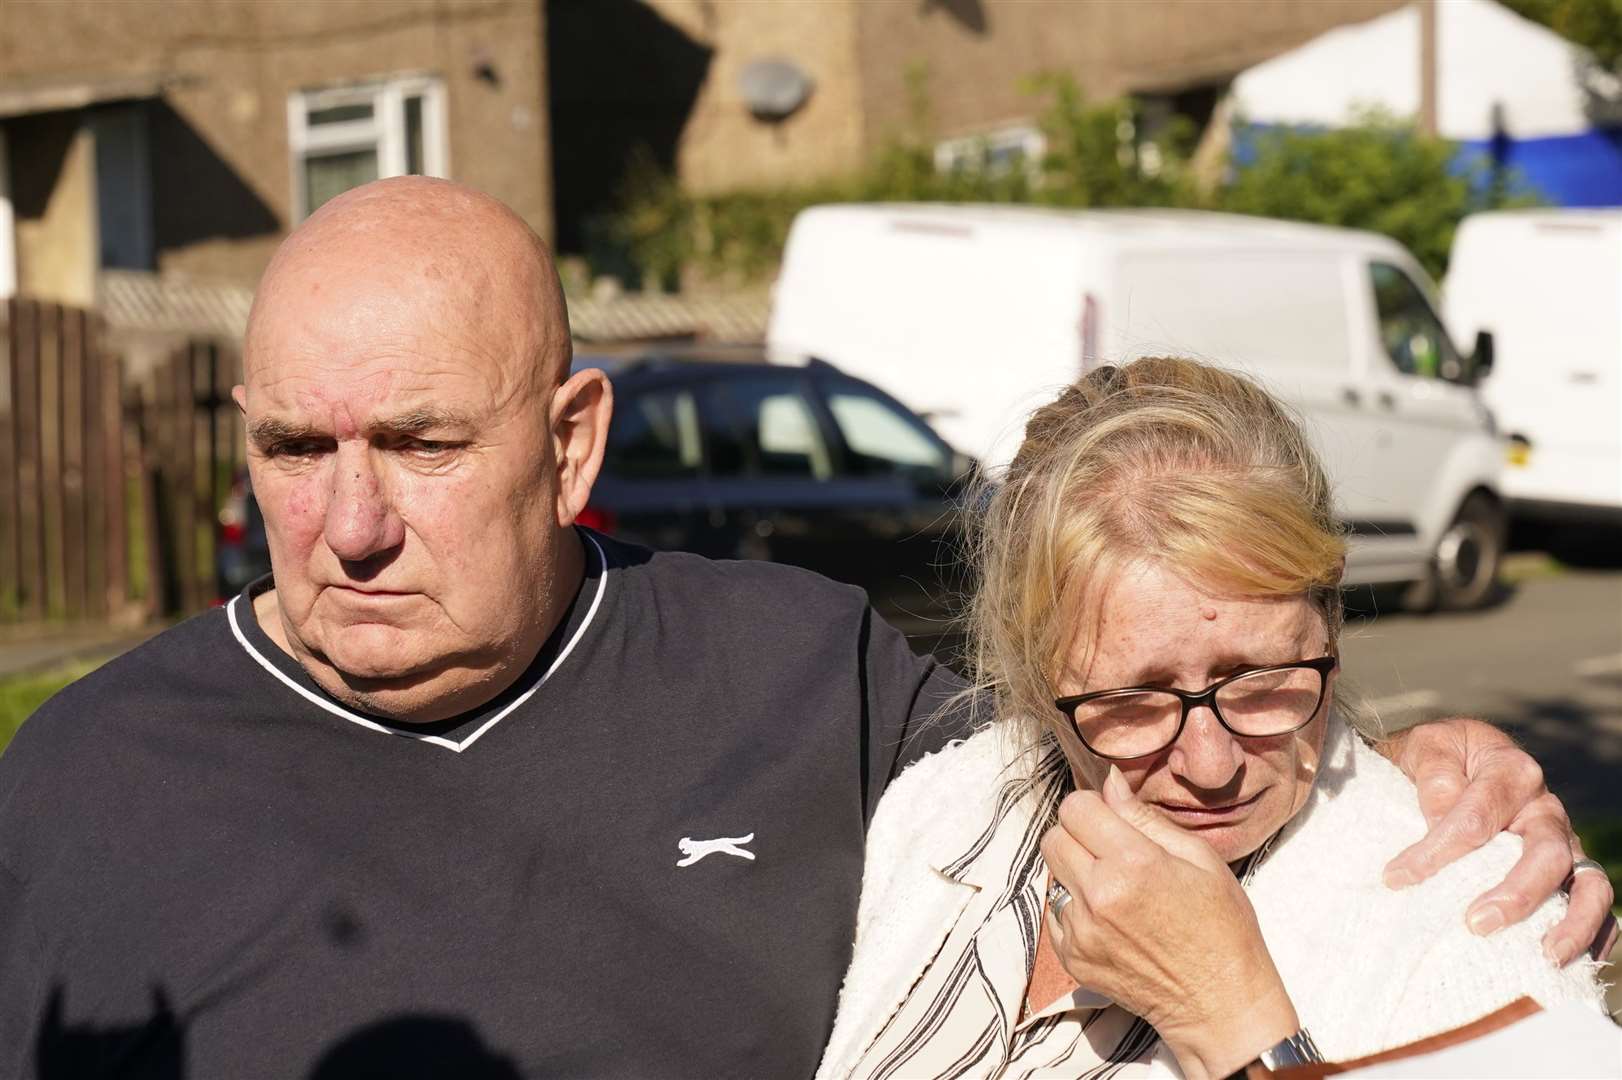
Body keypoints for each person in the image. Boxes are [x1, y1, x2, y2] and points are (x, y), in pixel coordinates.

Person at [0, 180, 1609, 1080]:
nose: (347, 526)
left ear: (569, 446)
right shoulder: (77, 781)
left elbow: (1157, 726)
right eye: (292, 450)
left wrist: (1414, 758)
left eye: (422, 447)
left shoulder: (805, 674)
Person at [816, 358, 1609, 1080]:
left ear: (1329, 626)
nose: (1210, 763)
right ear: (1033, 680)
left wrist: (1232, 1022)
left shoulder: (1471, 919)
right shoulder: (942, 812)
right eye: (1133, 701)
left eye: (1262, 681)